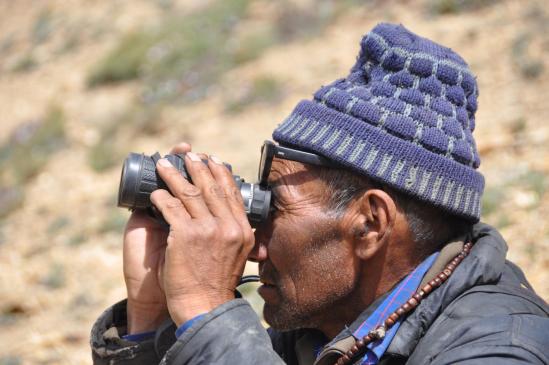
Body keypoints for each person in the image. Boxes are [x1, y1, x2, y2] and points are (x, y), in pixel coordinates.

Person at [90, 23, 549, 365]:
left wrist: (208, 308)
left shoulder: (499, 348)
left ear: (370, 224)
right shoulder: (326, 330)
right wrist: (151, 314)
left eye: (276, 209)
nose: (252, 244)